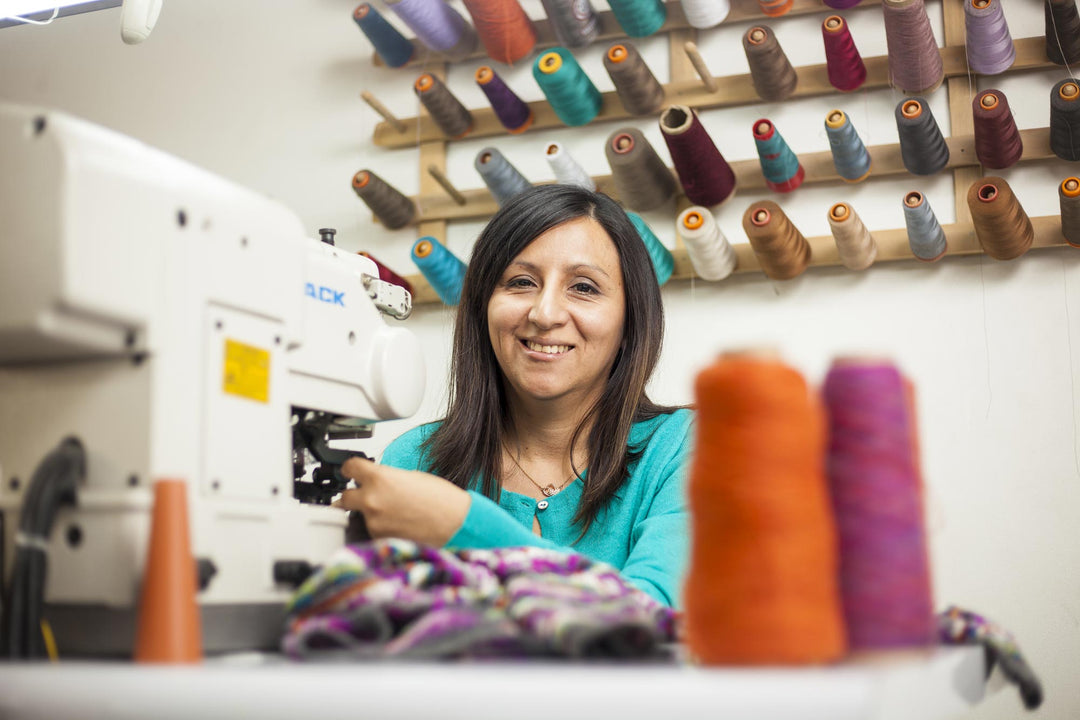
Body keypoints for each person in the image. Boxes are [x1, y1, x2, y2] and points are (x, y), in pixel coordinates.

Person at [336, 184, 693, 607]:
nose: (544, 314)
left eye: (584, 287)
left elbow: (654, 619)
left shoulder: (687, 449)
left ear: (630, 319)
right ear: (484, 305)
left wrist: (465, 526)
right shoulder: (415, 460)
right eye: (521, 282)